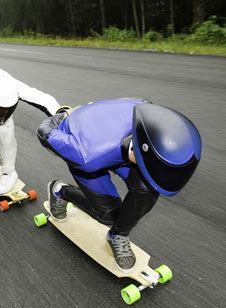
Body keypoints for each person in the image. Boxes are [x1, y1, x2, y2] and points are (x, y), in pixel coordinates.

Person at [37, 98, 202, 272]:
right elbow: (44, 132)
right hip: (90, 149)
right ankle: (60, 191)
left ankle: (118, 235)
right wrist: (62, 118)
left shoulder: (144, 111)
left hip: (121, 146)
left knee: (148, 192)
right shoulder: (85, 156)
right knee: (109, 215)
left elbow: (127, 103)